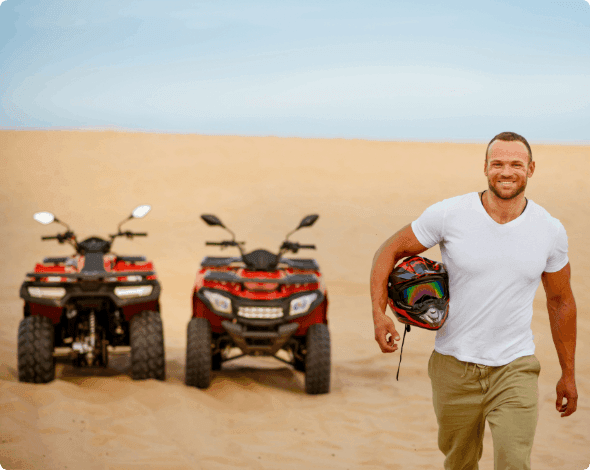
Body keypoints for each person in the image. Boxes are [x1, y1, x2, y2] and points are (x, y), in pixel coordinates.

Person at [370, 132, 577, 469]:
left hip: (515, 366)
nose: (506, 171)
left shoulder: (549, 230)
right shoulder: (449, 214)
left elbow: (560, 300)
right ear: (485, 168)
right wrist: (379, 314)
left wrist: (568, 374)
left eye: (515, 164)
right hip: (453, 366)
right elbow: (389, 250)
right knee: (459, 463)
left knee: (514, 462)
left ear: (531, 169)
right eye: (497, 163)